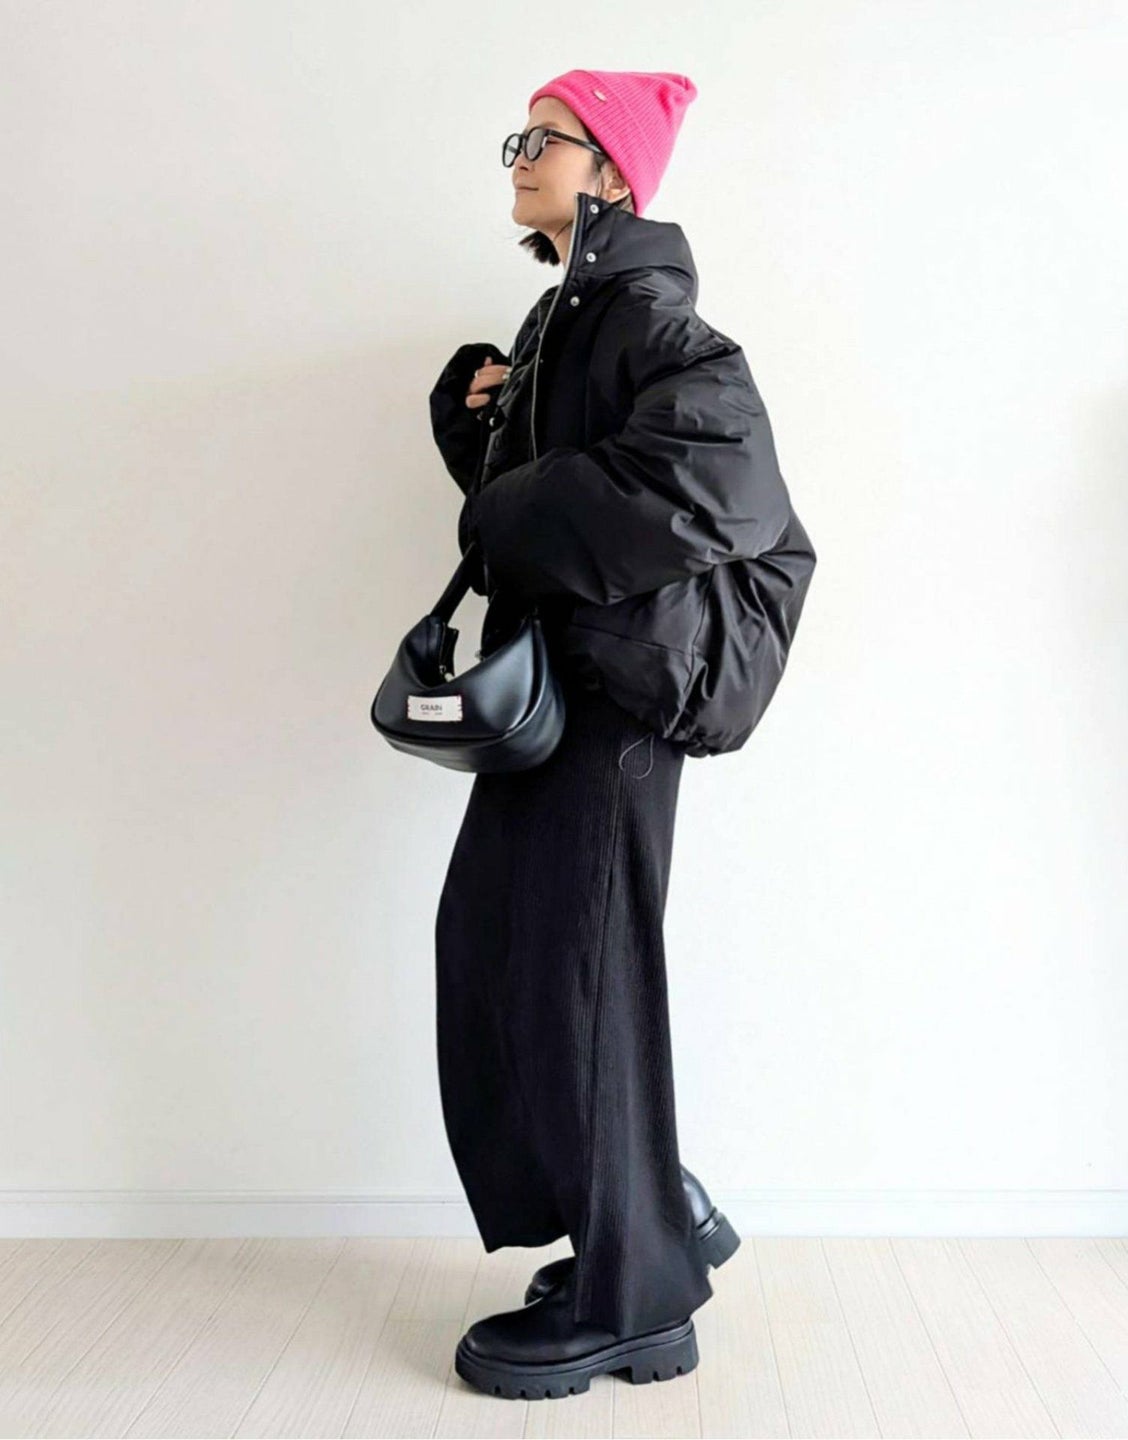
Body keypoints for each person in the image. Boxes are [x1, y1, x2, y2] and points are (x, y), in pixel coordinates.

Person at [428, 69, 815, 1402]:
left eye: (545, 139)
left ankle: (636, 1306)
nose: (519, 158)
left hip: (622, 700)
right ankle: (646, 1220)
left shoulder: (650, 314)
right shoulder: (562, 318)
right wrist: (478, 425)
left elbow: (724, 479)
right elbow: (541, 511)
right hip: (562, 690)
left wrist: (521, 492)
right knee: (503, 953)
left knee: (577, 978)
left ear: (610, 172)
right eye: (519, 138)